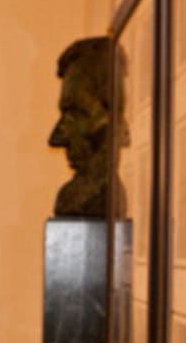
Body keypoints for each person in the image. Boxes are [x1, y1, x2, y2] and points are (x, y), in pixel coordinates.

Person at [48, 36, 128, 217]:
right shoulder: (75, 199)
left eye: (75, 114)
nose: (56, 139)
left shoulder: (94, 198)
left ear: (111, 121)